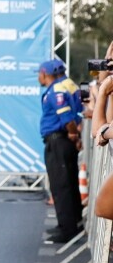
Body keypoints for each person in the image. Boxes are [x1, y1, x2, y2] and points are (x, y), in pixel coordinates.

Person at [38, 59, 83, 243]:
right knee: (65, 184)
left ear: (46, 73)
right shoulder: (64, 86)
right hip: (60, 141)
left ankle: (68, 229)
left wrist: (73, 134)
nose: (38, 76)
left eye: (39, 73)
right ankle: (69, 223)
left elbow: (67, 117)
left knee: (61, 186)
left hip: (59, 141)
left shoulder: (56, 90)